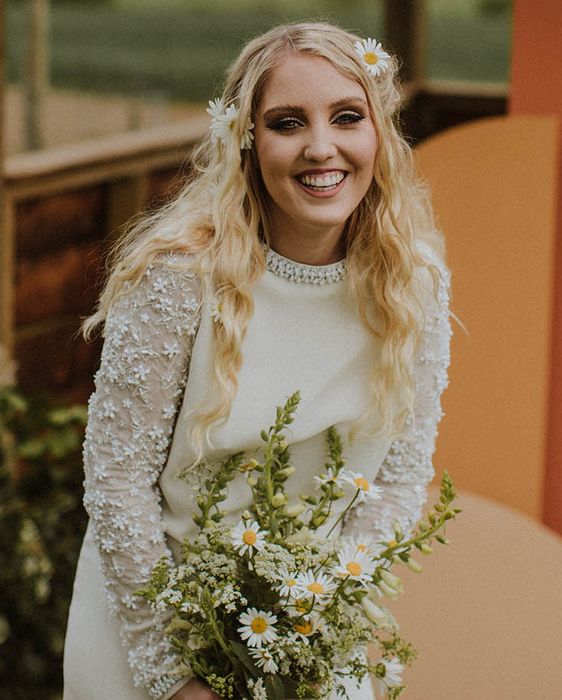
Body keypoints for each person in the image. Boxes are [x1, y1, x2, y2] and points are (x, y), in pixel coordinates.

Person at [63, 21, 451, 700]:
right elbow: (116, 477)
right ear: (246, 138)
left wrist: (317, 625)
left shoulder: (414, 284)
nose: (320, 147)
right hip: (150, 624)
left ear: (380, 135)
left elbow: (400, 478)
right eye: (287, 122)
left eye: (347, 117)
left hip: (310, 638)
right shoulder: (178, 278)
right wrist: (174, 674)